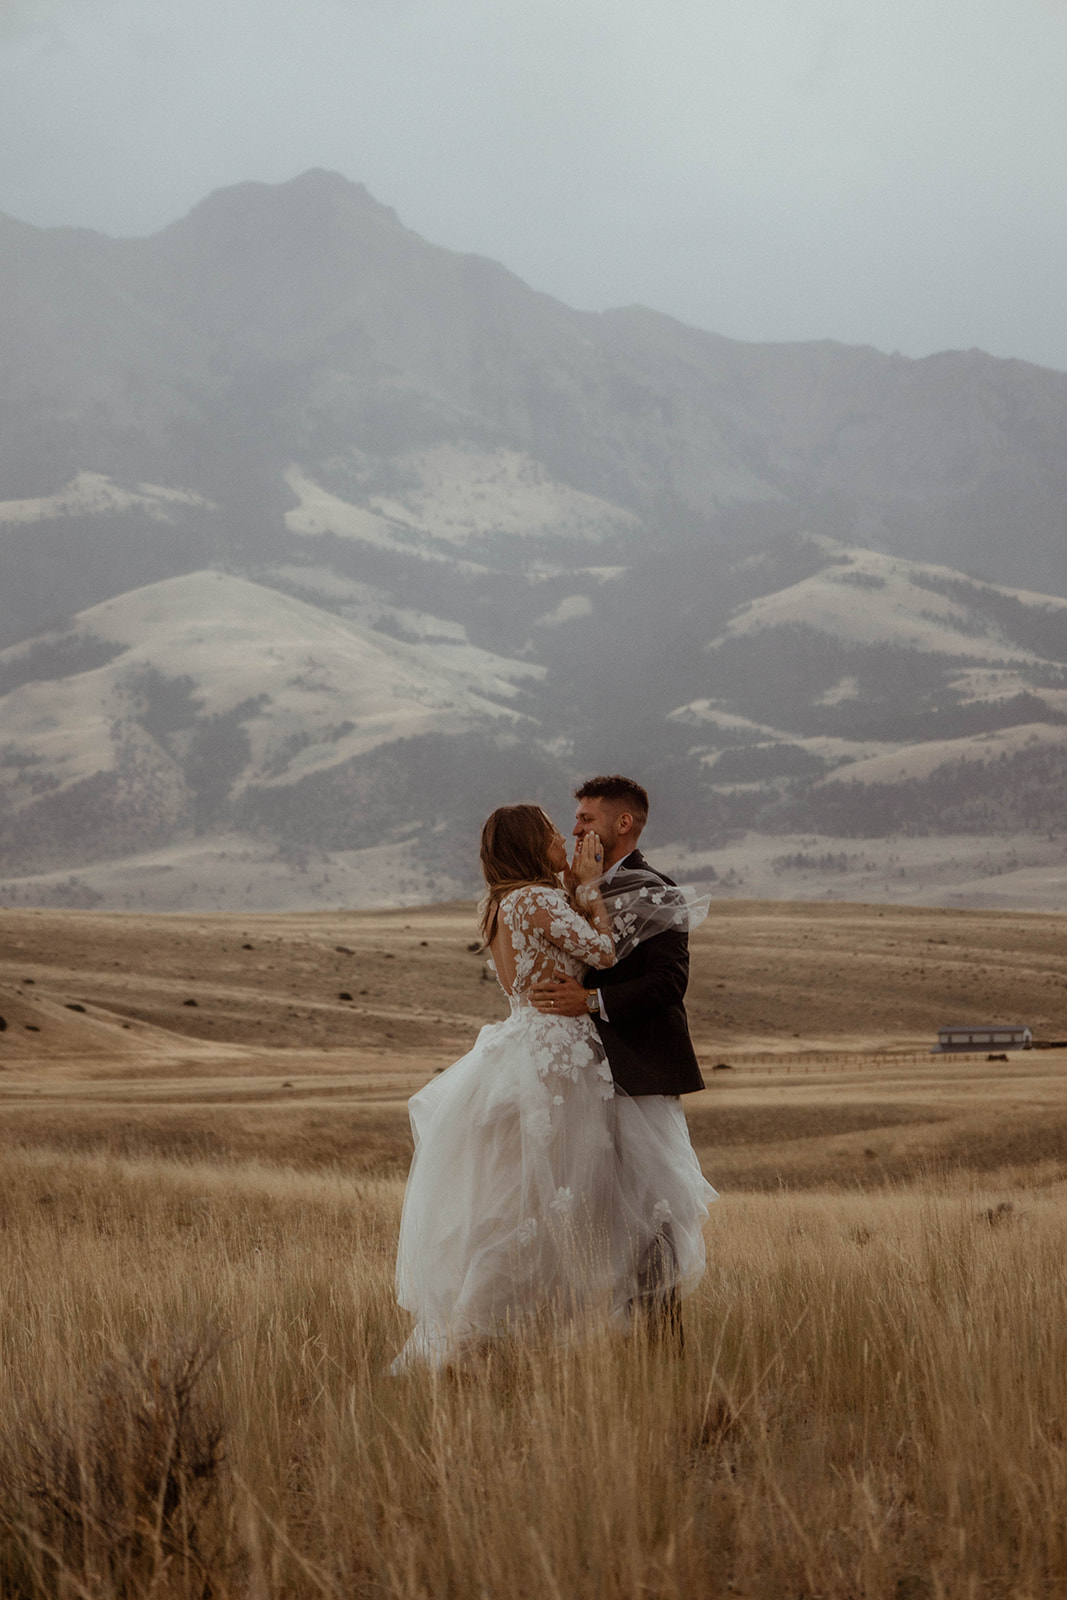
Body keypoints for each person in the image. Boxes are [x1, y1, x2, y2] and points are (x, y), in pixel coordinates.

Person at [392, 802, 715, 1371]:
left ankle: (485, 1340)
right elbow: (604, 952)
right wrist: (589, 888)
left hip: (522, 1045)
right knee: (556, 1198)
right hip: (559, 1055)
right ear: (529, 844)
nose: (564, 839)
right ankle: (482, 1337)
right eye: (550, 832)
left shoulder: (498, 904)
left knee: (524, 1197)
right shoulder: (537, 899)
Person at [530, 776, 707, 1339]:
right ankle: (598, 1330)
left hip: (639, 1073)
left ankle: (660, 1336)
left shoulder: (658, 892)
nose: (576, 827)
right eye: (577, 818)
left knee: (650, 1209)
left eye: (586, 818)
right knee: (587, 1205)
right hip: (577, 1076)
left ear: (622, 823)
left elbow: (668, 983)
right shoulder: (563, 891)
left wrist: (591, 1000)